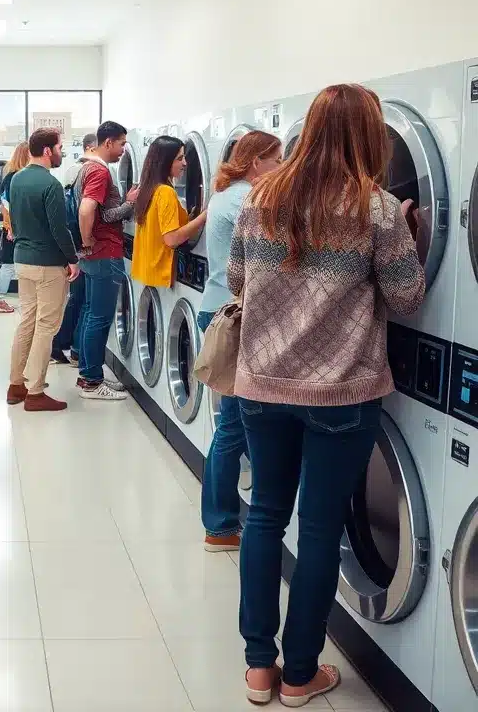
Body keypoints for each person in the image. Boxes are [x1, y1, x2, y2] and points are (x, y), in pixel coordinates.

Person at [231, 84, 424, 707]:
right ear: (369, 136)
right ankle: (299, 675)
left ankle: (259, 667)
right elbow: (406, 298)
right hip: (340, 394)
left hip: (261, 383)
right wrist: (410, 234)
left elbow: (238, 278)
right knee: (317, 532)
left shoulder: (261, 198)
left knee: (263, 517)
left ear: (308, 131)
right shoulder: (379, 210)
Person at [197, 130, 281, 553]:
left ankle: (221, 519)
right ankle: (221, 524)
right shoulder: (250, 199)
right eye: (277, 159)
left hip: (217, 308)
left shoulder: (224, 193)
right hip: (235, 316)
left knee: (233, 423)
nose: (282, 167)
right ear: (256, 163)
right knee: (232, 426)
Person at [6, 128, 80, 413]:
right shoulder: (51, 185)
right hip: (47, 264)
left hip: (21, 260)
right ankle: (35, 391)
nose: (62, 152)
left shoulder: (16, 179)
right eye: (60, 147)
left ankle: (16, 385)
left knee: (27, 321)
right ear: (48, 150)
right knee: (46, 327)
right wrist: (72, 258)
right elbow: (59, 229)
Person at [72, 122, 141, 399]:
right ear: (108, 142)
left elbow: (96, 209)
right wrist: (131, 203)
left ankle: (90, 373)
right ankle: (92, 382)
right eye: (122, 144)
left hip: (93, 255)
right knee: (99, 318)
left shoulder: (85, 168)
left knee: (90, 314)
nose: (124, 150)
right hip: (103, 253)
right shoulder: (100, 171)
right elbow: (93, 210)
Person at [131, 135, 208, 288]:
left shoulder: (148, 188)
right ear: (165, 162)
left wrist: (190, 218)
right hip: (163, 271)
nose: (185, 163)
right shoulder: (166, 192)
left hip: (148, 270)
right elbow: (171, 239)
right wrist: (205, 216)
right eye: (179, 159)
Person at [51, 133, 98, 361]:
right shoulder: (87, 171)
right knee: (80, 297)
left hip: (75, 241)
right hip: (81, 243)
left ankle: (66, 343)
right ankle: (64, 344)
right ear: (91, 147)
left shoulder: (73, 170)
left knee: (78, 297)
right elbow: (84, 211)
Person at [0, 142, 30, 314]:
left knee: (13, 264)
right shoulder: (15, 177)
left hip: (14, 227)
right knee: (11, 264)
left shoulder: (12, 176)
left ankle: (4, 299)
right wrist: (10, 228)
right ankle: (1, 299)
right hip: (15, 228)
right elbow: (6, 205)